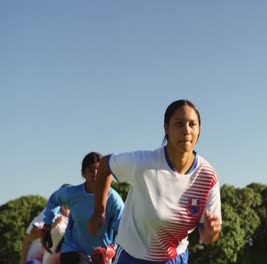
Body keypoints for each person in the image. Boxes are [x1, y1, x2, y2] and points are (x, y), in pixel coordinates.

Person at [88, 99, 222, 264]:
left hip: (174, 259)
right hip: (132, 257)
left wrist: (211, 234)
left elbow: (208, 236)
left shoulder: (207, 177)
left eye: (192, 124)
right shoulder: (143, 163)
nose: (186, 130)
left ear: (199, 129)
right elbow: (104, 166)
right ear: (166, 128)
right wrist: (98, 211)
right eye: (179, 124)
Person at [41, 152, 125, 264]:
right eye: (90, 170)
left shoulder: (113, 199)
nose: (95, 173)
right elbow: (54, 199)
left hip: (101, 256)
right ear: (83, 173)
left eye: (99, 170)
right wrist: (47, 224)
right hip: (73, 250)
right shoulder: (72, 194)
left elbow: (125, 228)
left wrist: (111, 249)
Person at [21, 186, 71, 264]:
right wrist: (51, 226)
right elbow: (29, 237)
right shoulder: (51, 213)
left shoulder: (77, 218)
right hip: (36, 261)